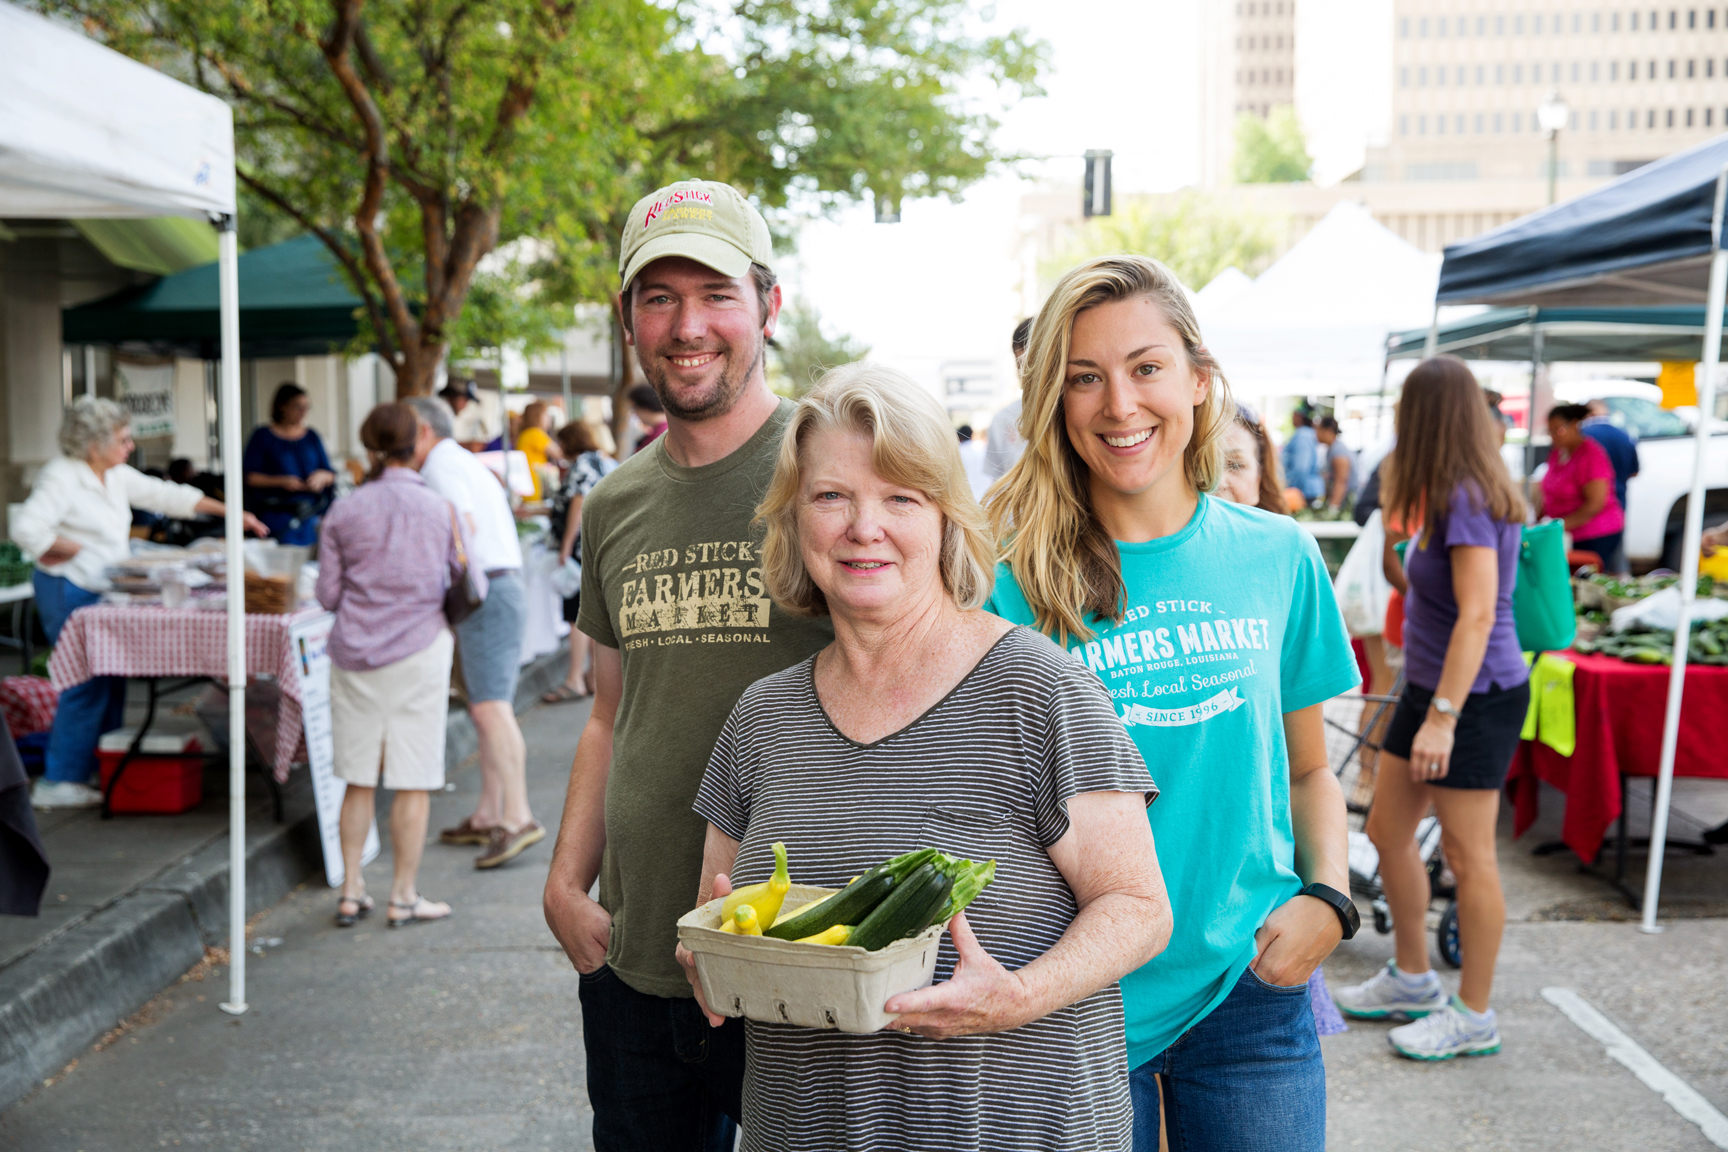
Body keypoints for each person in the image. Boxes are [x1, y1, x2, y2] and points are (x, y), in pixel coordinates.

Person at [679, 363, 1171, 1151]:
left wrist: (1015, 996)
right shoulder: (760, 717)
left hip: (1014, 1130)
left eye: (900, 498)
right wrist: (713, 960)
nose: (862, 526)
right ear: (793, 519)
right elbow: (721, 914)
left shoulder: (1040, 690)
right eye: (831, 496)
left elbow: (1140, 909)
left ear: (946, 520)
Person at [984, 255, 1359, 1152]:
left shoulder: (1278, 554)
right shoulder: (1005, 586)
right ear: (1054, 402)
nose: (1119, 405)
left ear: (1198, 379)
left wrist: (1330, 904)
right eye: (1084, 378)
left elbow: (1310, 768)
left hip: (1247, 995)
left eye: (1145, 367)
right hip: (1073, 996)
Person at [542, 178, 834, 1151]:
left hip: (803, 946)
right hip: (636, 955)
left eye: (715, 295)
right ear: (628, 321)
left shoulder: (833, 472)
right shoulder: (617, 502)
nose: (686, 324)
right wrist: (564, 884)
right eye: (658, 298)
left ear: (768, 306)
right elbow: (608, 713)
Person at [1334, 356, 1530, 1062]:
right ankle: (1412, 978)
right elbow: (1417, 585)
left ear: (1423, 414)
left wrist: (1444, 716)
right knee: (1388, 831)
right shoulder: (1438, 492)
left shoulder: (1470, 497)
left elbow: (1477, 617)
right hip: (1430, 686)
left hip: (1474, 696)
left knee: (1467, 855)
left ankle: (1474, 1012)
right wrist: (1393, 530)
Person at [13, 398, 267, 809]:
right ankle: (59, 780)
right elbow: (25, 527)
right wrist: (64, 547)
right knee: (85, 683)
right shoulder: (62, 476)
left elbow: (166, 495)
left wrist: (231, 513)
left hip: (100, 588)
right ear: (93, 444)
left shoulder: (112, 474)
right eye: (122, 439)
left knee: (110, 679)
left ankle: (98, 767)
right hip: (69, 588)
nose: (130, 446)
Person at [317, 402, 471, 929]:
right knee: (412, 778)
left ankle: (351, 890)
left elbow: (326, 594)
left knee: (357, 778)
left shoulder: (344, 510)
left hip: (356, 652)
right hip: (421, 649)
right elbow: (464, 578)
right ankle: (403, 896)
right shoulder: (439, 508)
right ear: (417, 443)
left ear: (370, 448)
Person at [405, 397, 544, 870]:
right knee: (488, 706)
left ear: (423, 430)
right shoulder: (458, 460)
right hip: (497, 588)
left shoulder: (441, 465)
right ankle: (490, 813)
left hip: (485, 591)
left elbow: (461, 527)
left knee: (490, 709)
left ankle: (519, 816)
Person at [542, 421, 617, 704]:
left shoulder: (582, 464)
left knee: (577, 617)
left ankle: (574, 678)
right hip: (601, 546)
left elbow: (578, 502)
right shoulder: (603, 462)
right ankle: (594, 678)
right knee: (596, 613)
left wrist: (565, 546)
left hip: (581, 551)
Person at [1537, 402, 1626, 573]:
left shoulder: (1591, 454)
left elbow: (1595, 504)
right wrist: (1540, 521)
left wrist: (1559, 524)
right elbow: (1549, 491)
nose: (1554, 436)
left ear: (1574, 425)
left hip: (1595, 534)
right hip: (1564, 533)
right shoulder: (1558, 452)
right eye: (1550, 431)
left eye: (1559, 430)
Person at [243, 383, 336, 546]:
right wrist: (281, 481)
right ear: (282, 407)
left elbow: (330, 473)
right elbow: (249, 477)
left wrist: (321, 477)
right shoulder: (263, 436)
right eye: (298, 407)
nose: (303, 412)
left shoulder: (311, 436)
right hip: (277, 513)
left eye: (306, 407)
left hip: (310, 512)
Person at [983, 318, 1033, 481]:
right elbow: (996, 483)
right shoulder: (1002, 420)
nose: (1027, 371)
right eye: (1021, 363)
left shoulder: (1073, 414)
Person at [1219, 401, 1289, 515]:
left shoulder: (1286, 532)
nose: (1219, 482)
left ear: (1259, 477)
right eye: (1201, 465)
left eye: (1235, 466)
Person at [1582, 398, 1640, 525]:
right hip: (1618, 504)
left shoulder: (1582, 436)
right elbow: (1634, 471)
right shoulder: (1624, 435)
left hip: (1585, 509)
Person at [516, 399, 564, 501]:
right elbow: (559, 453)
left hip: (528, 490)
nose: (548, 418)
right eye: (545, 414)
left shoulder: (526, 434)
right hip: (534, 490)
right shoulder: (535, 433)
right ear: (537, 416)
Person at [1281, 407, 1324, 504]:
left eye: (1294, 416)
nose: (1292, 419)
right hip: (1305, 490)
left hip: (1304, 492)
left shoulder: (1303, 435)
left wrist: (1292, 489)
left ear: (1300, 417)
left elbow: (1301, 467)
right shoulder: (1305, 434)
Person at [1316, 415, 1356, 511]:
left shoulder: (1338, 451)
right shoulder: (1332, 449)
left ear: (1327, 431)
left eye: (1318, 429)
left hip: (1348, 502)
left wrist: (1333, 507)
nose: (1316, 433)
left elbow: (1341, 481)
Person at [441, 378, 493, 450]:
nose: (465, 405)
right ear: (453, 395)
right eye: (465, 399)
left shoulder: (445, 414)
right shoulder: (440, 415)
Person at [956, 423, 990, 500]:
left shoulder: (959, 452)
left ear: (959, 437)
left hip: (968, 497)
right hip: (985, 495)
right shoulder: (982, 449)